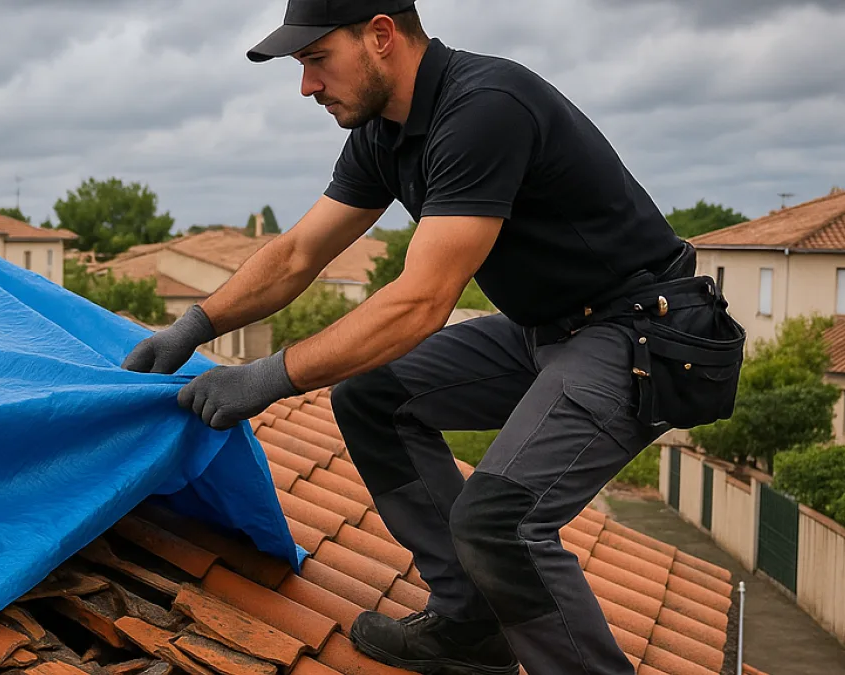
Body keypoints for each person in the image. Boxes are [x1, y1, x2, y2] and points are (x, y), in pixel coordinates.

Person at [122, 1, 745, 674]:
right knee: (371, 395)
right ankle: (473, 625)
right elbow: (300, 252)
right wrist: (197, 323)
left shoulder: (484, 109)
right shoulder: (385, 134)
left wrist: (266, 378)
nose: (306, 87)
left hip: (640, 335)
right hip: (549, 329)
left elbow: (419, 302)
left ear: (381, 35)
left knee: (499, 518)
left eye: (315, 61)